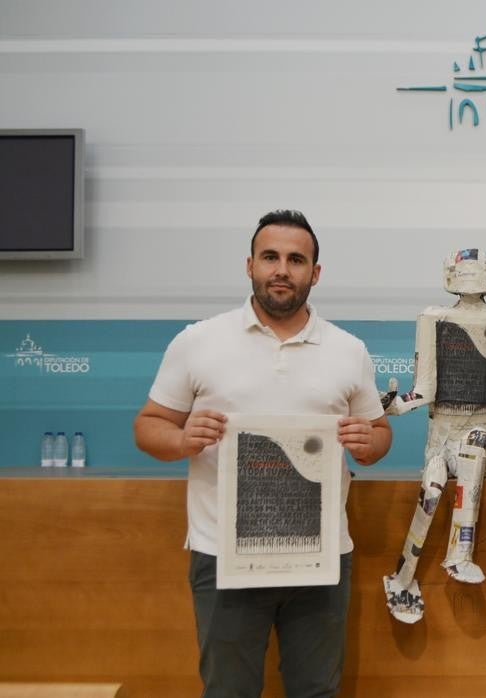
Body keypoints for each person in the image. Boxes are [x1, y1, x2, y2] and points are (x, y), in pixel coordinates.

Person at [133, 209, 393, 697]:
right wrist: (184, 438)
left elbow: (378, 436)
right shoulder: (198, 341)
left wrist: (368, 442)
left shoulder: (348, 349)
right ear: (249, 264)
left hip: (320, 557)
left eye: (296, 260)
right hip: (223, 554)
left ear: (315, 273)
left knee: (316, 690)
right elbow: (148, 426)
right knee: (228, 691)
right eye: (270, 256)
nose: (282, 269)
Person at [381, 248, 486, 624]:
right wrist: (391, 405)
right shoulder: (433, 320)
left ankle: (461, 553)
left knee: (474, 449)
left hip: (483, 432)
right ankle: (402, 577)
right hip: (442, 433)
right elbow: (425, 388)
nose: (471, 275)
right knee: (431, 489)